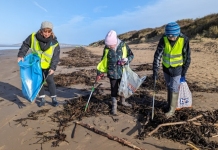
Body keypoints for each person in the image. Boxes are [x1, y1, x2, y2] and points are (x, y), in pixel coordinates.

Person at [17, 21, 60, 107]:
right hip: (36, 65)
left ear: (51, 32)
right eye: (45, 31)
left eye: (49, 31)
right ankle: (42, 99)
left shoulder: (55, 43)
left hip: (48, 66)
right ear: (41, 30)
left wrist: (53, 67)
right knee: (39, 81)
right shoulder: (33, 37)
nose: (46, 34)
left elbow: (56, 57)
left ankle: (54, 99)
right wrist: (21, 55)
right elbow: (25, 45)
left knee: (50, 81)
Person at [153, 22, 191, 118]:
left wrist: (184, 72)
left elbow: (187, 57)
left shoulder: (184, 39)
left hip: (178, 68)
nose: (170, 38)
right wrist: (155, 70)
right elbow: (158, 55)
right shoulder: (164, 39)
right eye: (168, 35)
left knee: (174, 88)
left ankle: (171, 110)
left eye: (172, 36)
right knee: (169, 86)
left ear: (177, 34)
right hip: (166, 68)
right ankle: (169, 104)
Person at [96, 30, 134, 115]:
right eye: (108, 45)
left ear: (115, 41)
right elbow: (103, 61)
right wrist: (99, 73)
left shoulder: (123, 45)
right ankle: (114, 106)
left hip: (123, 72)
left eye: (111, 45)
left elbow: (131, 55)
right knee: (114, 89)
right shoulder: (106, 48)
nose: (109, 47)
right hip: (112, 73)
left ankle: (123, 101)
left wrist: (127, 60)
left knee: (123, 88)